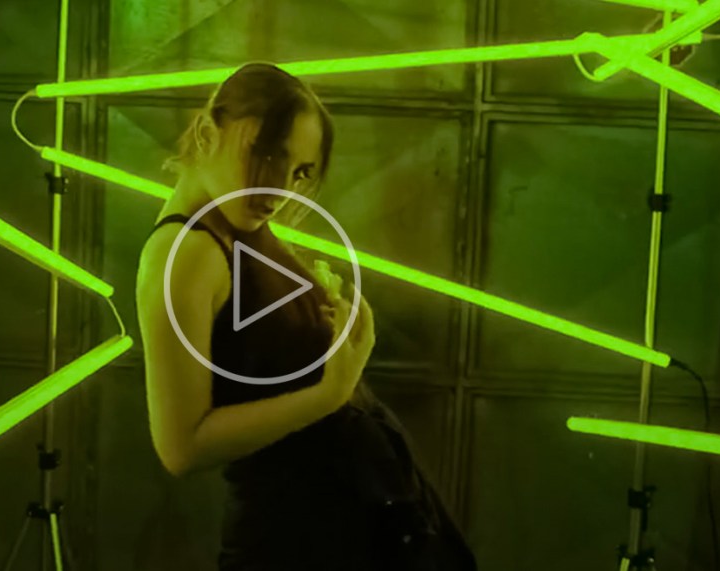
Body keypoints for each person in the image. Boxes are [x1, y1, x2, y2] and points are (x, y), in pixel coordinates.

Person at [135, 62, 476, 571]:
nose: (280, 188)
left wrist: (331, 328)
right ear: (207, 133)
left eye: (299, 172)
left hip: (345, 518)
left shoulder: (236, 227)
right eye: (267, 154)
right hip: (296, 536)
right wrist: (329, 394)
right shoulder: (185, 251)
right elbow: (181, 446)